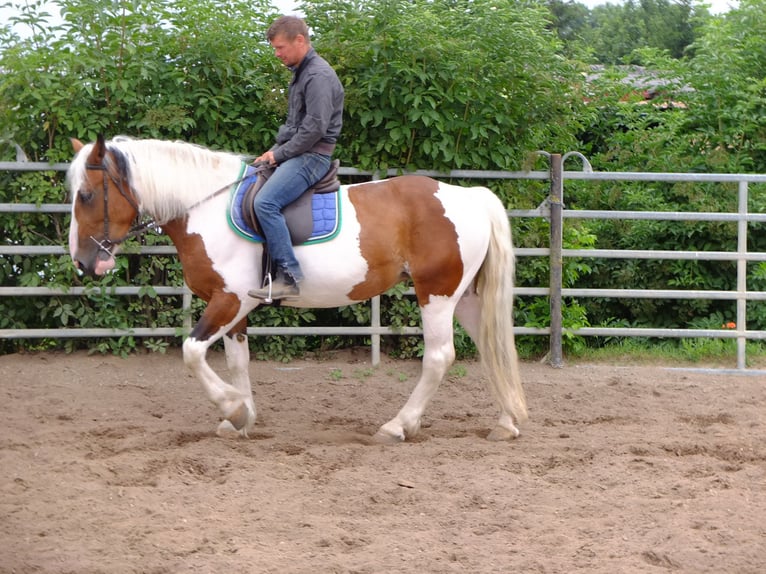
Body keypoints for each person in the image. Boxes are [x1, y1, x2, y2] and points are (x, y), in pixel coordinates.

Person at [248, 15, 344, 300]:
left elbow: (314, 129)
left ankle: (289, 276)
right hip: (299, 151)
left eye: (280, 48)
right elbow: (295, 127)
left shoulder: (318, 76)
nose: (277, 54)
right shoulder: (302, 74)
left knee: (265, 203)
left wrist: (279, 154)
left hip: (312, 156)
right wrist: (272, 153)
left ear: (299, 40)